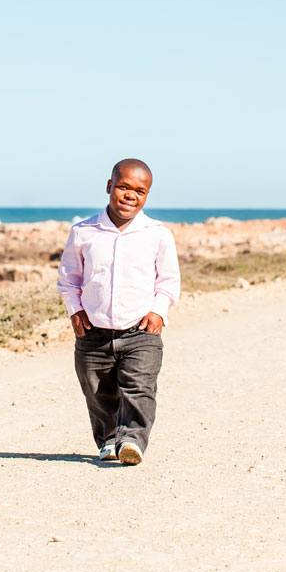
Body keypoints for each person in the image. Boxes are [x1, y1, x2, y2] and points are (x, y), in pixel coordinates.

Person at [56, 158, 181, 465]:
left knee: (140, 388)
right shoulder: (84, 232)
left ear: (147, 196)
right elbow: (69, 278)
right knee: (97, 391)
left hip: (141, 332)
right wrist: (75, 310)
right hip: (93, 333)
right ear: (110, 186)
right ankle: (109, 440)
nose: (130, 196)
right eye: (124, 187)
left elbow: (168, 280)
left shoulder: (157, 234)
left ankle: (133, 441)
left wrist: (158, 312)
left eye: (139, 191)